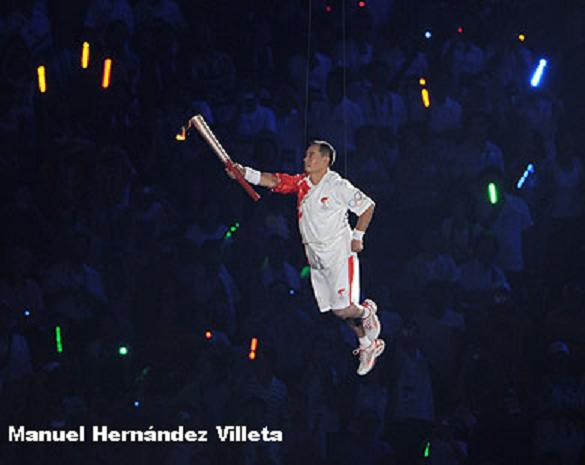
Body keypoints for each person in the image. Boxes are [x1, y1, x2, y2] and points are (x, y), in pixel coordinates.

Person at [227, 140, 384, 375]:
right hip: (316, 257)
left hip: (339, 254)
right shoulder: (302, 184)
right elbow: (275, 181)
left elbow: (367, 206)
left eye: (311, 155)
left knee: (343, 309)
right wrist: (243, 173)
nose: (305, 159)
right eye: (306, 155)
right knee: (335, 311)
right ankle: (366, 344)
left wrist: (358, 237)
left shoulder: (337, 185)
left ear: (325, 160)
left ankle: (366, 312)